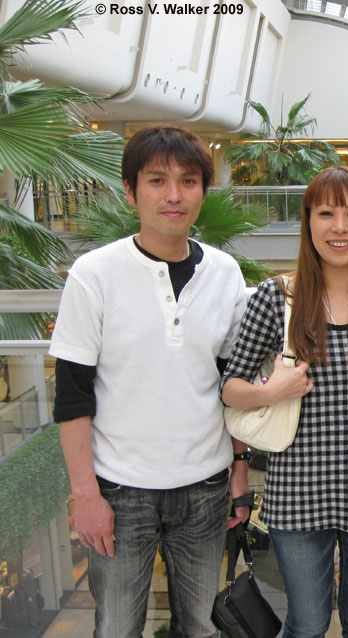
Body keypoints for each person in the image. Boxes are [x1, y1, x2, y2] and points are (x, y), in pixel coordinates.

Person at [50, 126, 251, 638]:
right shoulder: (94, 274)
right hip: (120, 493)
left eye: (187, 181)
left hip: (206, 488)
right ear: (130, 190)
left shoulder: (226, 274)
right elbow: (72, 396)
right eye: (157, 180)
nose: (173, 195)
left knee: (204, 629)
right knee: (116, 628)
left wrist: (239, 469)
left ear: (204, 191)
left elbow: (234, 384)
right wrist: (86, 497)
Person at [221, 165, 348, 638]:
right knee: (306, 622)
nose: (340, 226)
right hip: (297, 493)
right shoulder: (276, 297)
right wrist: (272, 391)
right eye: (326, 212)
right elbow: (230, 388)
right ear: (308, 223)